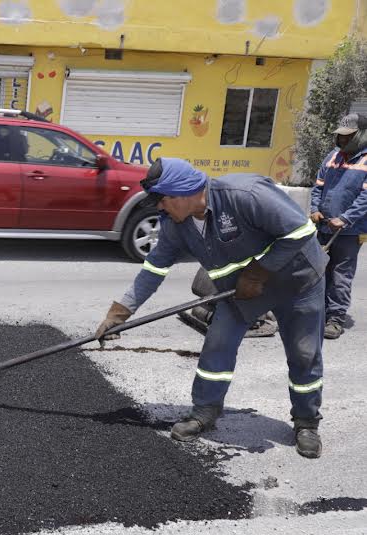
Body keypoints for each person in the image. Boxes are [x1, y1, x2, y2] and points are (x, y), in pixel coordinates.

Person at [95, 158, 328, 459]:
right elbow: (153, 270)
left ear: (183, 193)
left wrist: (259, 272)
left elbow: (300, 231)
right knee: (217, 345)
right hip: (242, 291)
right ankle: (204, 412)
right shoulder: (175, 226)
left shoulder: (245, 194)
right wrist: (120, 313)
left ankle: (307, 422)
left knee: (304, 353)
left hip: (298, 283)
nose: (160, 209)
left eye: (163, 201)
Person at [309, 113, 367, 339]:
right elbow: (318, 185)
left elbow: (365, 198)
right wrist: (315, 209)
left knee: (340, 274)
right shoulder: (333, 156)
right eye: (340, 137)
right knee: (318, 270)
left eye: (348, 137)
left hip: (350, 230)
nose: (342, 140)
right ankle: (318, 312)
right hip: (323, 226)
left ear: (361, 135)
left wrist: (345, 218)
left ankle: (335, 319)